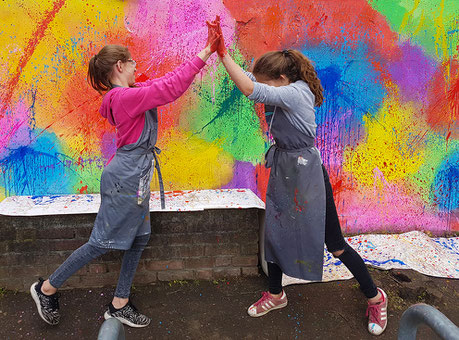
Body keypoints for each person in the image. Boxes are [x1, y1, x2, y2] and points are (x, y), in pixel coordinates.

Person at [30, 25, 220, 328]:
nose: (136, 68)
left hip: (137, 174)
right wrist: (207, 52)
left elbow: (165, 82)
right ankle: (46, 288)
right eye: (133, 63)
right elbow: (170, 89)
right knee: (102, 243)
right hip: (127, 177)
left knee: (140, 238)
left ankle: (119, 303)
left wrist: (206, 51)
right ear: (120, 65)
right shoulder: (122, 98)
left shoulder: (130, 95)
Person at [210, 17, 388, 336]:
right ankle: (276, 294)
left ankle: (376, 297)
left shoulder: (296, 93)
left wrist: (223, 55)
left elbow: (251, 88)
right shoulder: (285, 86)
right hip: (284, 169)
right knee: (275, 234)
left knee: (334, 244)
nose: (265, 90)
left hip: (306, 173)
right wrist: (224, 55)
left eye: (268, 83)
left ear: (281, 78)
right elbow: (253, 81)